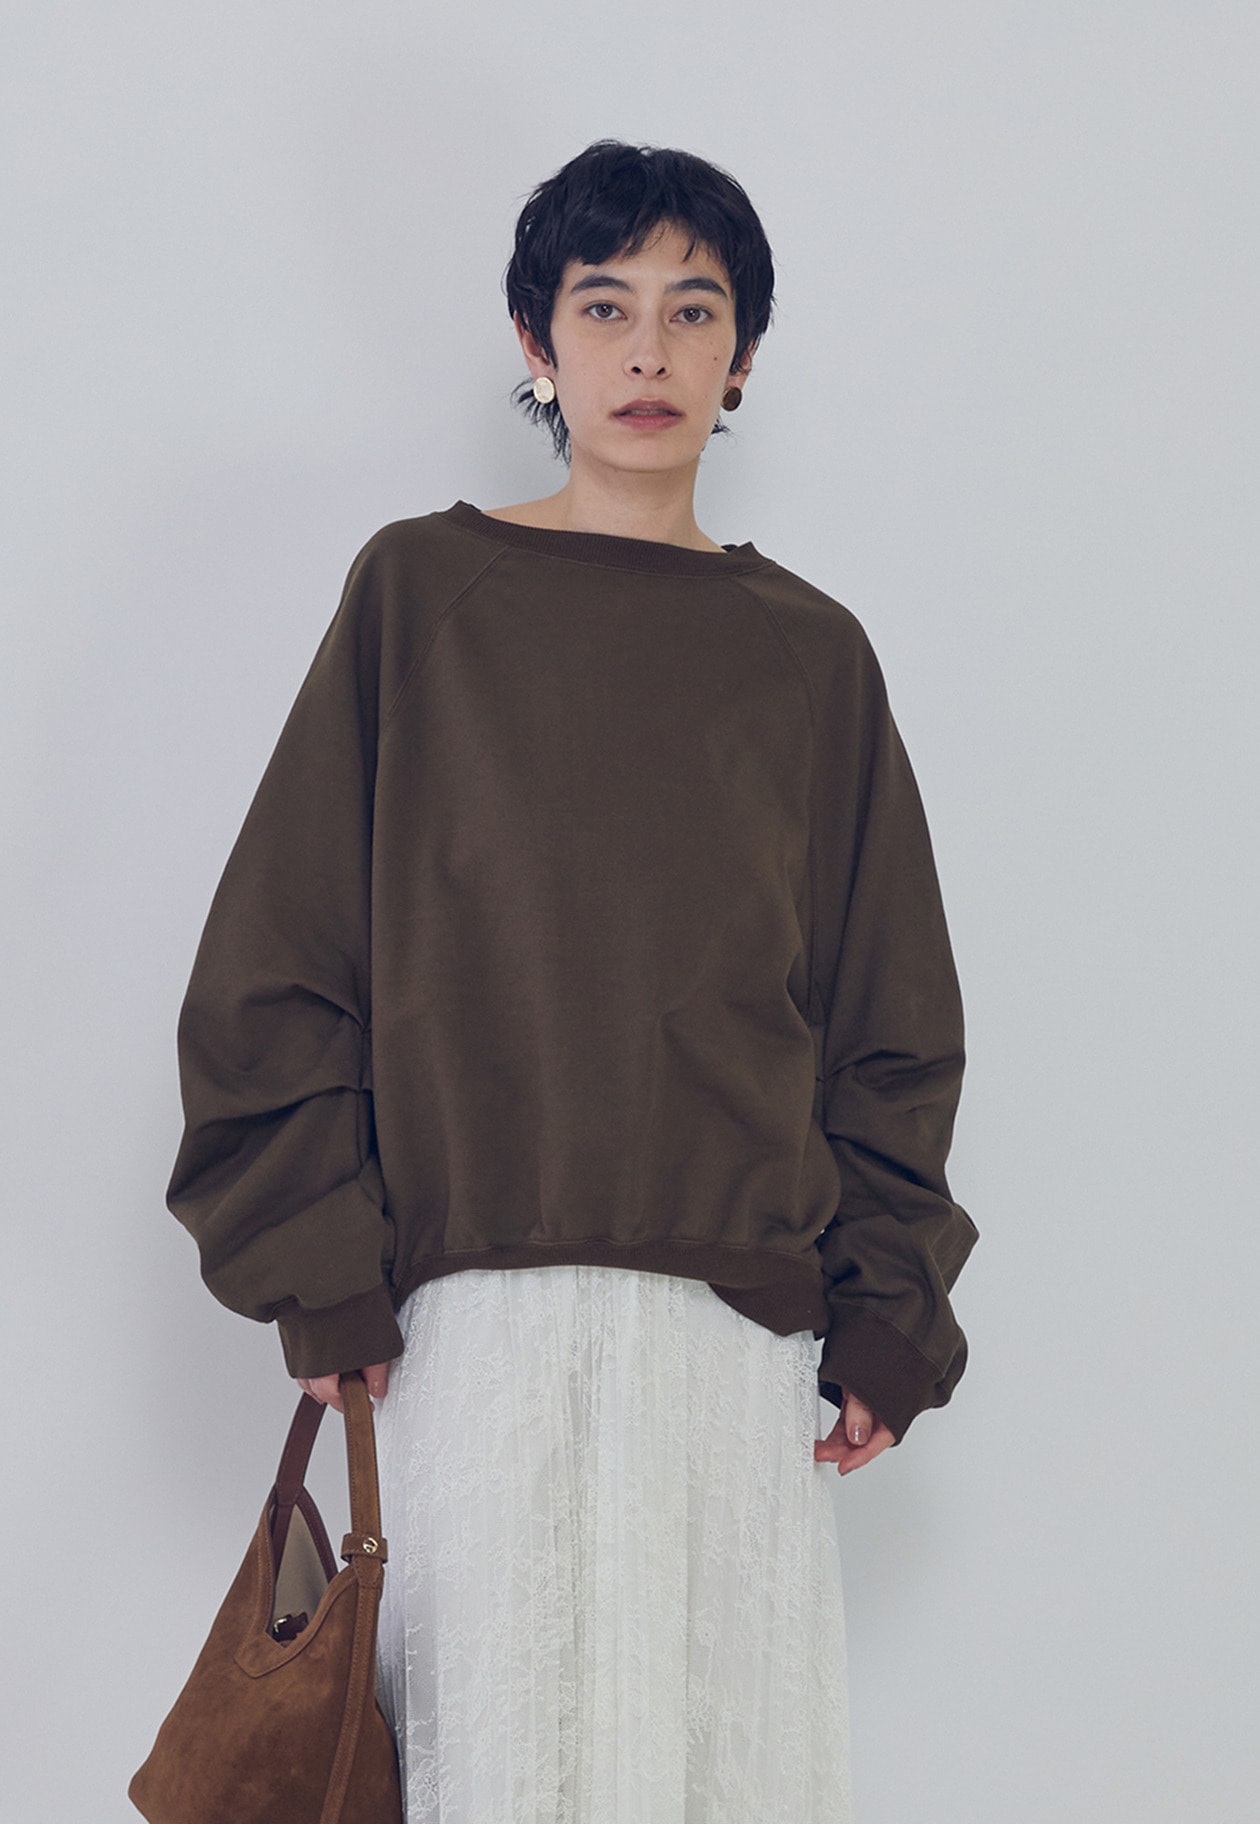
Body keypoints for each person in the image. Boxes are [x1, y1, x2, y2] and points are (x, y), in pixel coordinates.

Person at [165, 138, 977, 1822]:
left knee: (718, 1780)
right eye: (605, 307)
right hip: (472, 1337)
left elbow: (887, 1019)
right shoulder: (421, 597)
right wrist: (318, 1267)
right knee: (499, 1770)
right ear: (536, 344)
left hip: (736, 1350)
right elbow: (281, 960)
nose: (649, 349)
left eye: (695, 310)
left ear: (742, 358)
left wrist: (889, 1308)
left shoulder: (811, 656)